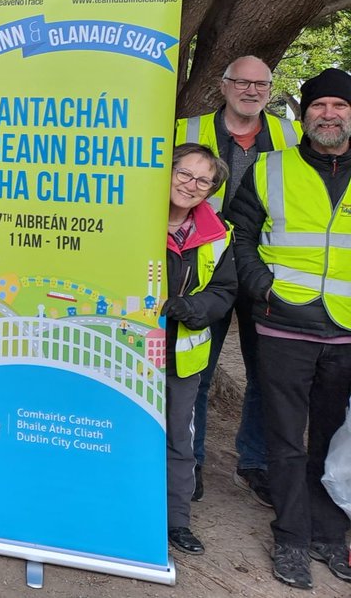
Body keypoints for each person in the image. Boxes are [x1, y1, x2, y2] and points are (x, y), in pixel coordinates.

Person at [230, 67, 351, 589]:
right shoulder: (269, 168)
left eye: (339, 106)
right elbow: (239, 236)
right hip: (284, 324)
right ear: (304, 115)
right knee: (285, 439)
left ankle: (329, 534)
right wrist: (263, 289)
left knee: (334, 439)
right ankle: (292, 538)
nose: (329, 114)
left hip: (345, 329)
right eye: (319, 106)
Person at [175, 56, 300, 505]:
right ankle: (190, 462)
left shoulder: (290, 134)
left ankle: (255, 463)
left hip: (265, 266)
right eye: (242, 82)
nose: (251, 91)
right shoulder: (187, 130)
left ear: (270, 90)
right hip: (205, 267)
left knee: (267, 373)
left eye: (261, 84)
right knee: (196, 371)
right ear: (223, 86)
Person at [160, 144, 237, 557]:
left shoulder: (219, 233)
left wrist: (193, 308)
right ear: (166, 172)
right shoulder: (131, 217)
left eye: (202, 180)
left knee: (179, 441)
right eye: (183, 174)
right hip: (129, 353)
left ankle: (176, 521)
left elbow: (225, 290)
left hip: (182, 357)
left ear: (211, 190)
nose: (190, 185)